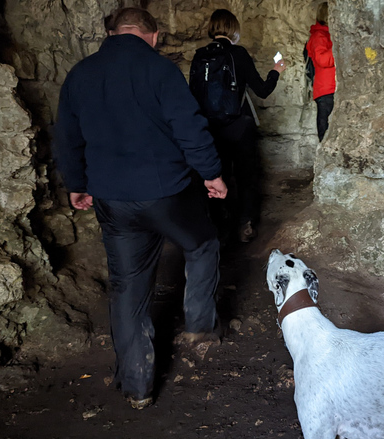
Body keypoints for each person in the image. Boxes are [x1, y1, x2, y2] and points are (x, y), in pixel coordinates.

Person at [55, 7, 227, 410]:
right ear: (154, 35)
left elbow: (67, 137)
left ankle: (136, 386)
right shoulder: (160, 70)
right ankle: (200, 325)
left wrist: (77, 186)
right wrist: (212, 174)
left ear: (111, 33)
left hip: (112, 199)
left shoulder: (80, 74)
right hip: (165, 193)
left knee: (127, 286)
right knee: (202, 244)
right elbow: (190, 127)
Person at [189, 9, 285, 244]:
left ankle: (219, 226)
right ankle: (246, 223)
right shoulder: (238, 54)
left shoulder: (200, 55)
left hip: (209, 129)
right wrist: (276, 70)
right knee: (247, 176)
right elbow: (262, 91)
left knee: (216, 175)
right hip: (239, 127)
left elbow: (191, 96)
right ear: (233, 30)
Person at [306, 2, 336, 141]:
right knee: (326, 131)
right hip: (326, 89)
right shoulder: (319, 36)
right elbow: (323, 60)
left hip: (329, 88)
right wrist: (337, 48)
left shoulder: (324, 34)